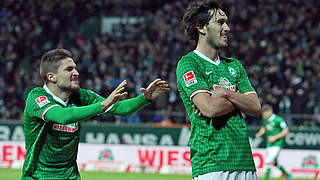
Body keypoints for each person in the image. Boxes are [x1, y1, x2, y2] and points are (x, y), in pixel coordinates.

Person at [21, 48, 170, 179]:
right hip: (38, 177)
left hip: (70, 176)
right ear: (51, 77)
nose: (76, 73)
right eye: (69, 69)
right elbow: (63, 116)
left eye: (75, 68)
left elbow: (121, 108)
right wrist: (102, 105)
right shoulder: (36, 97)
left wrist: (144, 98)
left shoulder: (81, 96)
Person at [176, 0, 261, 179]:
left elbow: (255, 107)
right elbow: (210, 108)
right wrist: (239, 100)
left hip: (245, 163)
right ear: (201, 27)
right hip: (211, 164)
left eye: (227, 22)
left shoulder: (234, 65)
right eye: (220, 22)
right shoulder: (189, 63)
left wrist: (225, 93)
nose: (227, 28)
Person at [256, 104, 291, 180]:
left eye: (265, 113)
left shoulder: (279, 119)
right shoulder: (265, 119)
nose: (264, 115)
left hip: (277, 144)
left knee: (268, 161)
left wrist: (275, 137)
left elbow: (286, 131)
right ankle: (287, 175)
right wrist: (259, 133)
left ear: (270, 111)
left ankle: (266, 178)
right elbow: (264, 128)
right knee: (275, 163)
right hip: (269, 144)